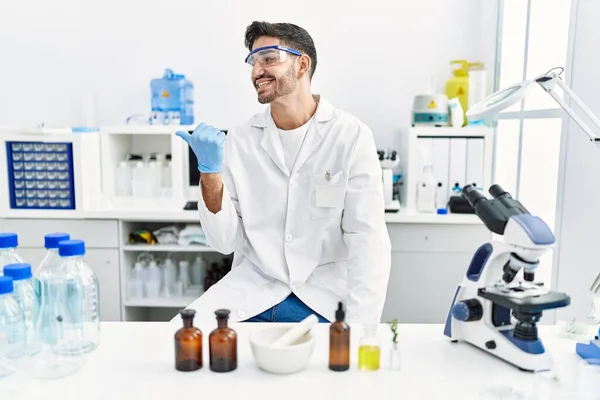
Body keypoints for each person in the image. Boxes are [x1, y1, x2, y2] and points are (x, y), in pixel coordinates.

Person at [176, 21, 391, 325]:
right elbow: (224, 242)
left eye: (268, 58)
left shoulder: (351, 136)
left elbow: (367, 241)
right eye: (252, 61)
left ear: (302, 65)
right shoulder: (241, 139)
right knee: (176, 348)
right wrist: (209, 174)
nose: (256, 71)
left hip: (322, 298)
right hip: (252, 293)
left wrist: (359, 331)